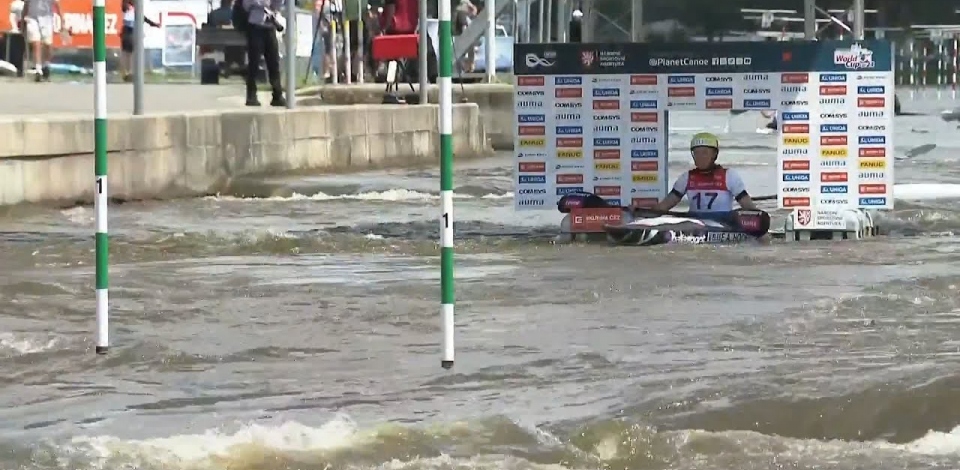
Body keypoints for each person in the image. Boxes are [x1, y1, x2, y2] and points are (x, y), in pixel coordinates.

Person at [651, 132, 768, 240]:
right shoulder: (686, 177)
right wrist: (641, 213)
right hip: (695, 222)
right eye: (696, 153)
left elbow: (749, 207)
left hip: (722, 223)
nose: (700, 157)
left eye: (704, 153)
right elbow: (665, 206)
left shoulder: (729, 176)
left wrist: (761, 229)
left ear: (714, 154)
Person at [241, 0, 287, 106]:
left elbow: (279, 3)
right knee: (254, 62)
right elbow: (247, 4)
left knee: (273, 62)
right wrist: (263, 3)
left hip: (270, 26)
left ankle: (277, 95)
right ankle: (251, 95)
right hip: (256, 25)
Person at [119, 0, 160, 82]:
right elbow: (127, 10)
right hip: (129, 32)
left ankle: (130, 72)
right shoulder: (128, 9)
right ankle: (128, 73)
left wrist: (153, 24)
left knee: (130, 53)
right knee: (128, 53)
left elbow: (143, 18)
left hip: (131, 31)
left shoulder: (133, 9)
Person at [21, 0, 61, 82]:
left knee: (48, 45)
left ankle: (46, 66)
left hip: (47, 19)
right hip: (32, 18)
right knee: (36, 43)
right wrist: (22, 21)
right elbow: (26, 4)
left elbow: (57, 5)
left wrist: (62, 22)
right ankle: (38, 70)